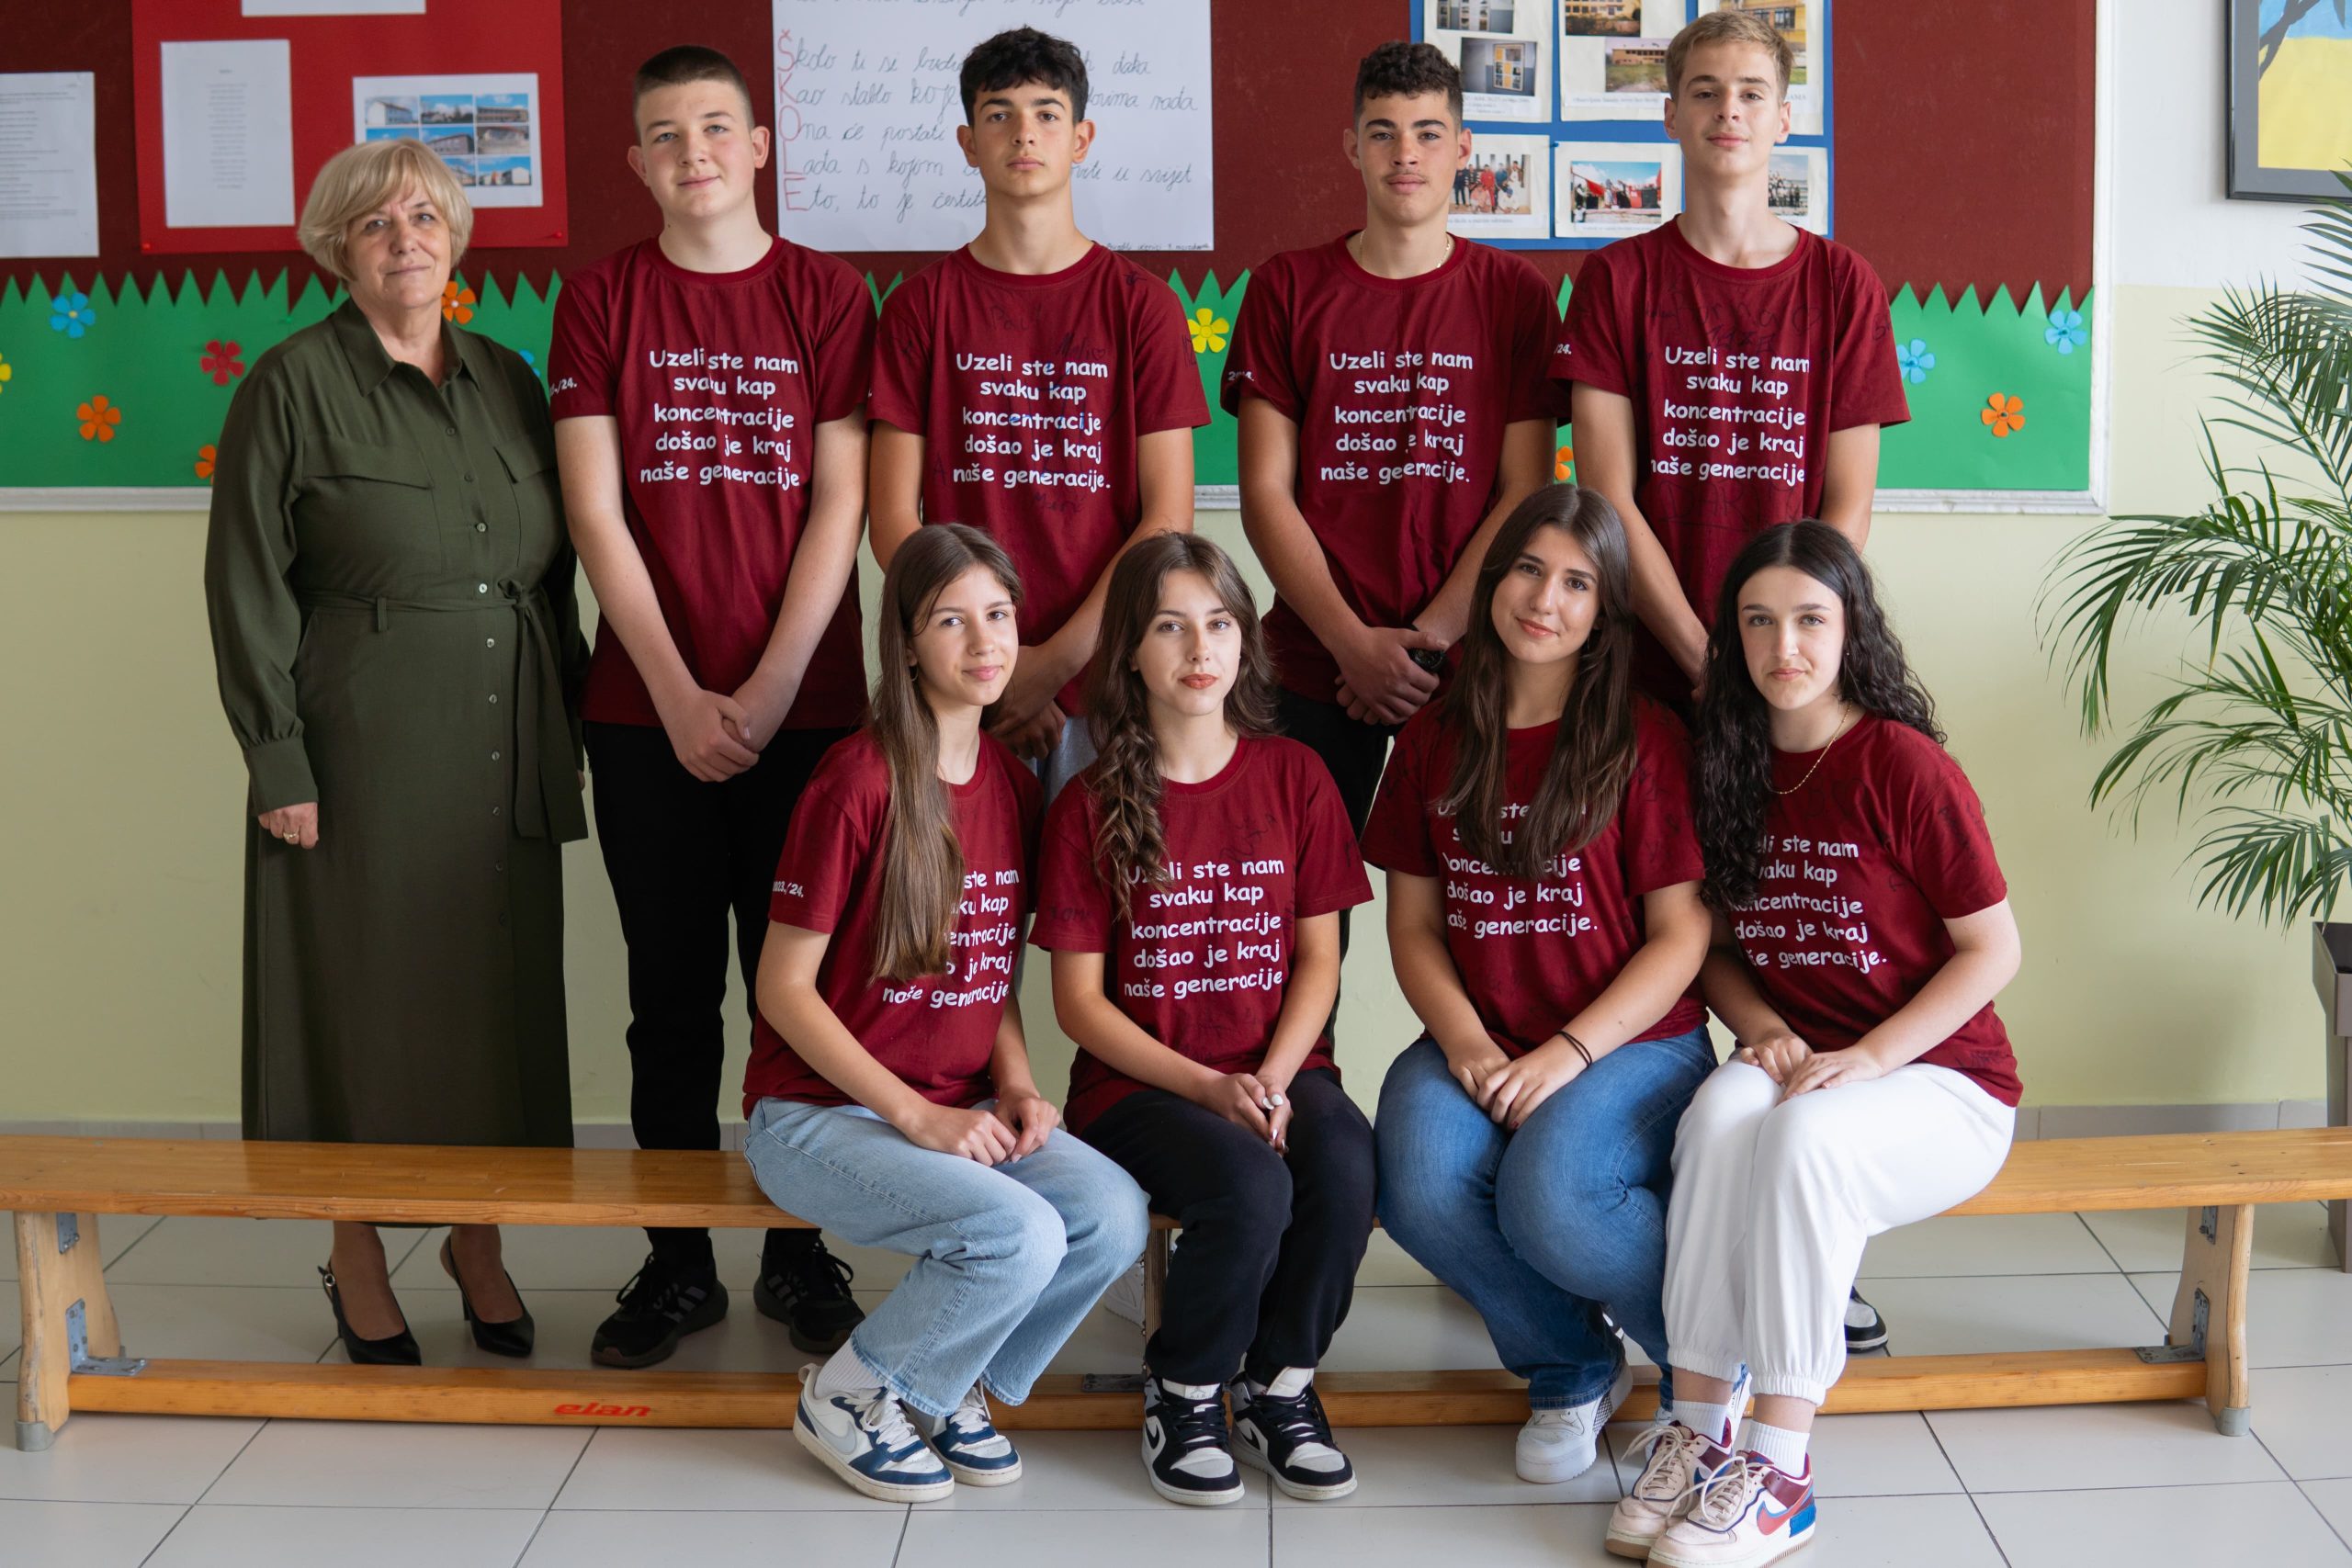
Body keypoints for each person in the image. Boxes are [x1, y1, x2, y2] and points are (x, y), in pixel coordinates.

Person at [1555, 9, 1910, 1354]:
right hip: (1655, 672)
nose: (1726, 113)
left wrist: (1784, 650)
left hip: (1801, 672)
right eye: (1702, 91)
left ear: (1783, 115)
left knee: (1810, 931)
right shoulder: (1618, 280)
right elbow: (1608, 494)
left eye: (1751, 91)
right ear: (1670, 115)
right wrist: (1711, 658)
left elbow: (1847, 503)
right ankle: (1681, 1222)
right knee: (1670, 933)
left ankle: (1816, 1225)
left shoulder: (1841, 284)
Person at [204, 137, 582, 1363]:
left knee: (491, 1002)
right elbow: (245, 584)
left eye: (424, 217)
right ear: (338, 249)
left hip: (504, 736)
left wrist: (573, 733)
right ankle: (356, 1248)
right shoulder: (289, 384)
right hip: (359, 744)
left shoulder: (509, 378)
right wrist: (279, 762)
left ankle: (479, 1239)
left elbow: (557, 574)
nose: (404, 240)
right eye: (375, 223)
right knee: (356, 1004)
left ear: (456, 236)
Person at [1614, 521, 2021, 1567]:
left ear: (1852, 631)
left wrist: (1870, 1059)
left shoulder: (1902, 765)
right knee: (1719, 1115)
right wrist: (1764, 1032)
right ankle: (1699, 1433)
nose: (1783, 646)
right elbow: (1709, 948)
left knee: (1803, 1138)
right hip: (1804, 1060)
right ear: (1732, 637)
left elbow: (1993, 950)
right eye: (1758, 622)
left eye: (1809, 620)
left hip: (1943, 1083)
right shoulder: (1724, 762)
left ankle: (1780, 1468)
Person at [548, 45, 869, 1370]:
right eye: (667, 134)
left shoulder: (827, 294)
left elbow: (842, 501)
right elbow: (595, 511)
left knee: (800, 998)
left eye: (717, 127)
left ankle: (801, 1253)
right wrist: (679, 694)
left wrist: (778, 683)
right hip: (646, 719)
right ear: (638, 161)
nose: (695, 152)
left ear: (760, 146)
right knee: (670, 1002)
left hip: (813, 714)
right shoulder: (600, 298)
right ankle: (676, 1263)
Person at [743, 525, 1151, 1503]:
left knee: (1110, 1215)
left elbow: (986, 971)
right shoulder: (856, 781)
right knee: (1021, 1234)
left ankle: (948, 1380)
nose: (984, 640)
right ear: (909, 644)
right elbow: (781, 987)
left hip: (956, 1101)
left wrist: (1016, 1083)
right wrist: (916, 1115)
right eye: (950, 620)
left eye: (998, 614)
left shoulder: (1012, 785)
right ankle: (847, 1394)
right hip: (819, 1116)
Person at [1364, 483, 1714, 1485]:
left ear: (1605, 611)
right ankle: (1572, 1364)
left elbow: (1681, 935)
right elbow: (1414, 926)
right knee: (1417, 1177)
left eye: (1576, 583)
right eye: (1527, 569)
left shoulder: (1645, 737)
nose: (1544, 600)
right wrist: (1468, 1043)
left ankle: (1711, 1370)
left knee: (1551, 1195)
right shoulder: (1433, 737)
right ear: (1493, 579)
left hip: (1634, 1041)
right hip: (1485, 1032)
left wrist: (1568, 1053)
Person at [1033, 535, 1375, 1506]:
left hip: (1278, 1065)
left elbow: (1321, 958)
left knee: (1346, 1164)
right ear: (1130, 653)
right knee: (1250, 1186)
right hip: (1140, 1086)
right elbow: (1078, 1005)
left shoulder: (1297, 776)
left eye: (1220, 624)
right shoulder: (1089, 804)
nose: (1200, 648)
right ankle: (1184, 1390)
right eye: (1170, 627)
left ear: (1245, 643)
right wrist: (1210, 1087)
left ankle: (1278, 1384)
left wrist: (1272, 1077)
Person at [1226, 40, 1555, 901]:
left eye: (1428, 132)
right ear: (1352, 147)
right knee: (1294, 908)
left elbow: (1527, 491)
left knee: (1482, 908)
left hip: (1471, 662)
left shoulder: (1515, 295)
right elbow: (1264, 492)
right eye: (1382, 132)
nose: (1405, 153)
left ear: (1464, 147)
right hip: (1314, 659)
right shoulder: (1286, 288)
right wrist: (1352, 642)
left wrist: (1426, 644)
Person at [868, 26, 1209, 800]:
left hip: (1109, 684)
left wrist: (1049, 664)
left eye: (1047, 114)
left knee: (1102, 882)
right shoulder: (920, 308)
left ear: (1081, 138)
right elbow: (890, 517)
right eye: (999, 114)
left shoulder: (1145, 308)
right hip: (961, 692)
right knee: (960, 885)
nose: (1024, 133)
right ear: (968, 142)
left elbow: (1168, 516)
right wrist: (991, 660)